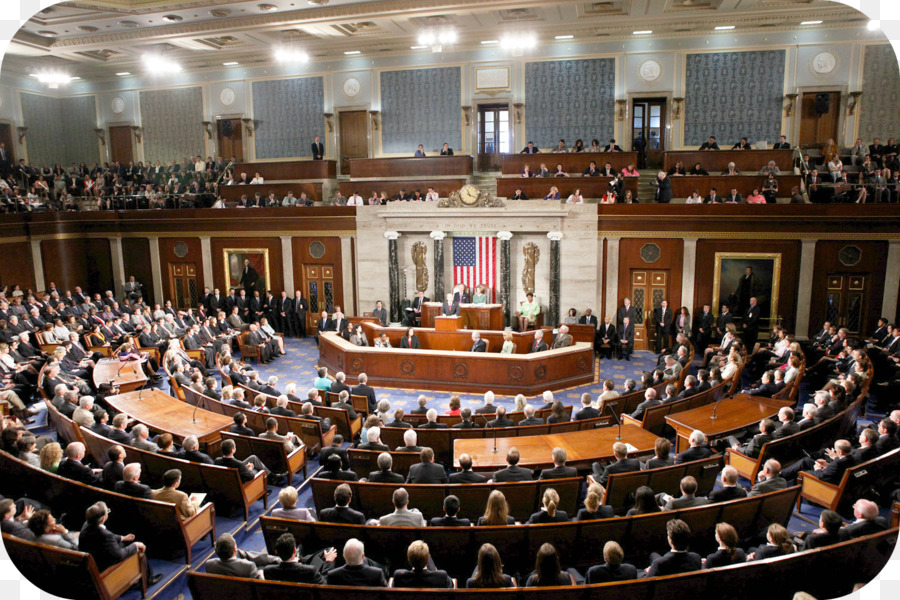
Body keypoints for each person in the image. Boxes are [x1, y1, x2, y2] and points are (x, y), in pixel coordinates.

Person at [262, 533, 327, 584]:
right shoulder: (311, 570)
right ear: (294, 550)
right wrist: (328, 562)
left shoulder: (268, 570)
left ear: (276, 552)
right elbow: (324, 584)